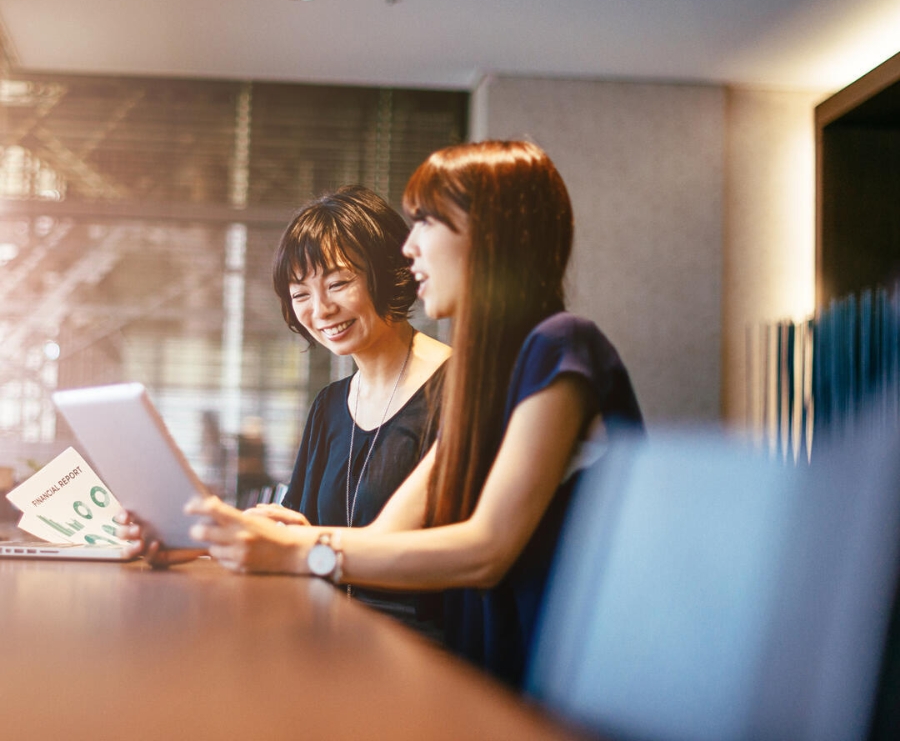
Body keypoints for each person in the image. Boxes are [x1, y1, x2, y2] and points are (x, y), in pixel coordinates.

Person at [184, 140, 644, 687]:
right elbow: (383, 535)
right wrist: (201, 536)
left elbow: (485, 552)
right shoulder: (490, 375)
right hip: (464, 675)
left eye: (426, 223)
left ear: (489, 234)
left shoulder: (561, 346)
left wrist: (298, 548)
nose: (409, 249)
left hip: (540, 687)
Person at [121, 185, 450, 633]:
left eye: (338, 283)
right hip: (324, 631)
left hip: (417, 644)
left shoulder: (457, 387)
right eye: (301, 295)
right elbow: (294, 533)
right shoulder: (330, 405)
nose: (321, 310)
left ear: (389, 271)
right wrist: (192, 541)